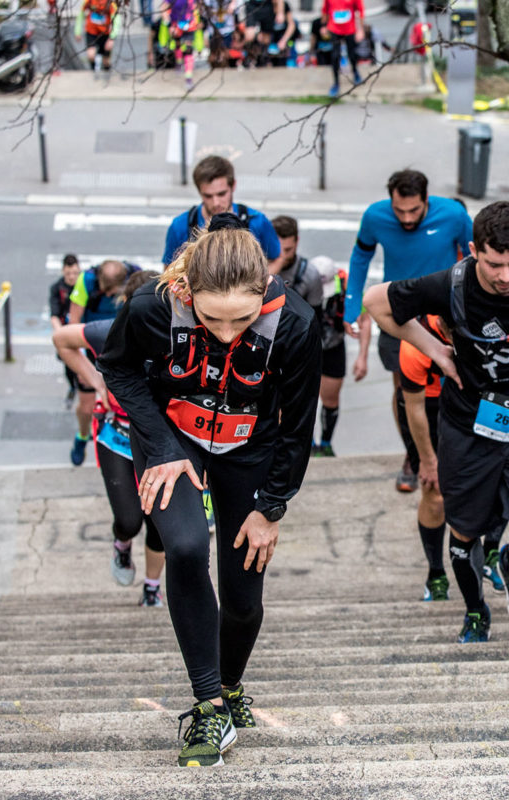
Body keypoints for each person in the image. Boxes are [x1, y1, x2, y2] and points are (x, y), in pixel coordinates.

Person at [97, 215, 321, 767]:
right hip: (174, 444)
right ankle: (207, 708)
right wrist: (163, 446)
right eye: (211, 319)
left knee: (244, 600)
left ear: (265, 287)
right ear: (187, 291)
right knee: (188, 548)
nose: (226, 334)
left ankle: (230, 687)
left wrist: (271, 508)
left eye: (241, 320)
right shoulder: (153, 303)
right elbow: (117, 369)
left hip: (251, 450)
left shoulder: (296, 323)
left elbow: (297, 428)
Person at [364, 201, 509, 643]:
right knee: (463, 533)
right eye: (495, 264)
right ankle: (475, 611)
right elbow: (376, 302)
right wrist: (435, 351)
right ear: (474, 250)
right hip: (467, 425)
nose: (506, 276)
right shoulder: (448, 285)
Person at [345, 170, 472, 493]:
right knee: (405, 390)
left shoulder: (454, 215)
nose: (406, 218)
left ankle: (451, 453)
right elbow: (361, 257)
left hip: (445, 317)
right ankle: (412, 455)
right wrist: (352, 307)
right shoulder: (375, 216)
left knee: (452, 385)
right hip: (397, 317)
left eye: (413, 210)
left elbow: (474, 258)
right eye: (399, 210)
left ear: (426, 200)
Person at [53, 270, 168, 607]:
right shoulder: (108, 332)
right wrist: (96, 381)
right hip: (117, 437)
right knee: (130, 521)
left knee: (158, 524)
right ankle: (121, 544)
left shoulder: (176, 335)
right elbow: (62, 340)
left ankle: (151, 588)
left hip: (157, 442)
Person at [399, 315, 507, 601]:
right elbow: (414, 408)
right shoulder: (416, 342)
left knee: (497, 481)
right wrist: (427, 460)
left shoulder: (489, 327)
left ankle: (492, 553)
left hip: (479, 401)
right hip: (430, 407)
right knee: (435, 495)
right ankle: (436, 573)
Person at [270, 215, 370, 456]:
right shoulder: (263, 268)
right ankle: (303, 443)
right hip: (292, 348)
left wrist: (362, 357)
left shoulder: (324, 279)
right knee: (292, 401)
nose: (284, 254)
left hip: (330, 344)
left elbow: (364, 318)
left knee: (329, 398)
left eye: (289, 248)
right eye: (279, 248)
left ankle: (324, 444)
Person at [67, 260, 135, 466]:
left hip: (122, 350)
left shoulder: (135, 277)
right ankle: (82, 435)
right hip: (90, 346)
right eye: (104, 291)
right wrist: (80, 364)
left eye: (111, 292)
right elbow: (73, 323)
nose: (107, 296)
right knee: (86, 407)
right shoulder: (86, 281)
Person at [163, 156, 281, 268]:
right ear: (199, 191)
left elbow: (277, 259)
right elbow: (169, 269)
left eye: (221, 194)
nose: (216, 203)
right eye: (208, 196)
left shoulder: (257, 221)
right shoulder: (179, 226)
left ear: (233, 185)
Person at [50, 254, 82, 406]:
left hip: (83, 331)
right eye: (68, 273)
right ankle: (73, 387)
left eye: (75, 273)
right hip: (67, 332)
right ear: (63, 271)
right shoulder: (57, 289)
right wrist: (61, 334)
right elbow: (54, 314)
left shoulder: (84, 285)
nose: (72, 277)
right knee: (69, 366)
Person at [321, 0, 363, 96]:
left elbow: (360, 11)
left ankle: (356, 73)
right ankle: (336, 83)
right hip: (334, 28)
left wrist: (360, 29)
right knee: (335, 56)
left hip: (350, 28)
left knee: (352, 54)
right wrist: (323, 26)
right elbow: (325, 10)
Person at [161, 0, 204, 88]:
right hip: (175, 25)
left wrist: (199, 19)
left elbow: (199, 6)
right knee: (178, 45)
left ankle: (188, 79)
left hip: (189, 25)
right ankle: (179, 62)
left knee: (188, 50)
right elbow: (164, 9)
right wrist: (169, 25)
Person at [78, 0, 119, 76]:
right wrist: (77, 31)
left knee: (106, 61)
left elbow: (117, 19)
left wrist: (112, 37)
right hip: (91, 33)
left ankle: (107, 75)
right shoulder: (89, 1)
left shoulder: (110, 3)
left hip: (105, 34)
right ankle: (93, 73)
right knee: (91, 55)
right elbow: (80, 14)